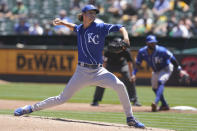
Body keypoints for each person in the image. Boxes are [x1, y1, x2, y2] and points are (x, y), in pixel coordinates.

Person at [14, 4, 145, 128]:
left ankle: (130, 118)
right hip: (82, 72)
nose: (93, 15)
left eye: (94, 13)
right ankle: (30, 108)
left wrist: (126, 38)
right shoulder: (80, 29)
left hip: (98, 71)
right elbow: (73, 26)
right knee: (61, 98)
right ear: (83, 14)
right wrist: (62, 23)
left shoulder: (100, 27)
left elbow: (120, 26)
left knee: (120, 86)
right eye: (90, 13)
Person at [132, 35, 187, 112]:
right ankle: (165, 105)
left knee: (160, 81)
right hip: (156, 70)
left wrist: (179, 69)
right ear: (147, 43)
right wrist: (134, 73)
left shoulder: (161, 50)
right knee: (154, 88)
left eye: (154, 43)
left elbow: (172, 58)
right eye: (151, 43)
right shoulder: (142, 52)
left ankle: (156, 102)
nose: (153, 44)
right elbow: (138, 64)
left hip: (166, 68)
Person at [91, 38, 141, 107]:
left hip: (122, 65)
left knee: (129, 78)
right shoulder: (109, 49)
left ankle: (135, 100)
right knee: (102, 80)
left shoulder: (125, 50)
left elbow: (129, 63)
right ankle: (95, 100)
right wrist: (101, 73)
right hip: (110, 65)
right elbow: (104, 62)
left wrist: (132, 75)